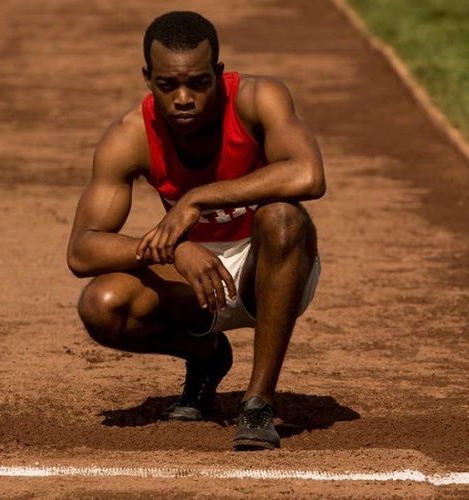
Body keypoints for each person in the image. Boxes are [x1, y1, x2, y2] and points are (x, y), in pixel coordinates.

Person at [67, 11, 324, 450]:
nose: (184, 98)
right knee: (102, 304)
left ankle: (258, 402)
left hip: (272, 264)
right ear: (148, 79)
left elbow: (308, 175)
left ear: (218, 75)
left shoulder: (259, 98)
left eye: (198, 84)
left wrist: (196, 198)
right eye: (168, 86)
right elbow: (83, 251)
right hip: (192, 280)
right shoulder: (129, 136)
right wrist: (173, 251)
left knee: (283, 216)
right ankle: (207, 356)